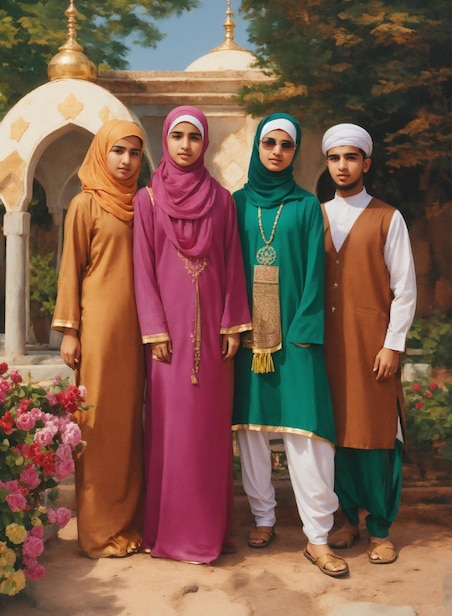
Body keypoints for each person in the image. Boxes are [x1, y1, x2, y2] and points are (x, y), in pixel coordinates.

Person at [133, 106, 251, 564]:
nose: (185, 145)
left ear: (205, 144)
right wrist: (154, 329)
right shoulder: (148, 200)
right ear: (166, 140)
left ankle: (209, 532)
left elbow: (234, 263)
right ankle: (169, 532)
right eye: (177, 136)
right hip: (167, 342)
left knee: (207, 435)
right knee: (170, 432)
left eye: (194, 137)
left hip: (216, 340)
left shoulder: (222, 200)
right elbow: (142, 269)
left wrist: (232, 324)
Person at [232, 113, 349, 578]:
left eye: (285, 145)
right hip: (247, 334)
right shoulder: (235, 204)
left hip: (296, 336)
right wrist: (235, 324)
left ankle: (316, 537)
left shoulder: (305, 206)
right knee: (252, 431)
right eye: (269, 143)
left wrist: (304, 331)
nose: (277, 151)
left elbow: (317, 278)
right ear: (258, 147)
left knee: (308, 435)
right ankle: (263, 518)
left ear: (294, 153)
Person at [321, 123, 417, 564]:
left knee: (377, 434)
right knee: (337, 434)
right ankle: (346, 521)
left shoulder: (387, 217)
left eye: (351, 157)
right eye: (335, 158)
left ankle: (380, 528)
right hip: (327, 347)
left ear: (366, 163)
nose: (343, 166)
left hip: (372, 345)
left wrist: (392, 345)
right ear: (328, 163)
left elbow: (406, 288)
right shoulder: (316, 214)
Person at [52, 119, 146, 558]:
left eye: (134, 153)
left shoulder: (143, 204)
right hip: (100, 329)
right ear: (102, 153)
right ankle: (97, 531)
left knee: (129, 426)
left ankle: (129, 522)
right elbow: (71, 268)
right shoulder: (84, 204)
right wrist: (70, 331)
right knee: (98, 424)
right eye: (118, 151)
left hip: (141, 330)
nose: (126, 161)